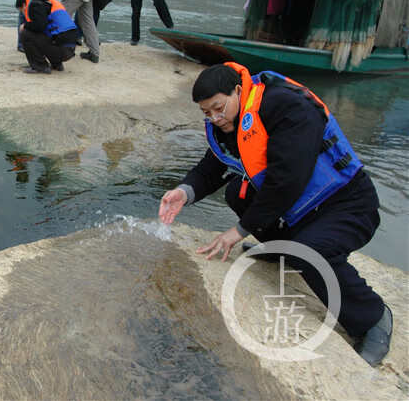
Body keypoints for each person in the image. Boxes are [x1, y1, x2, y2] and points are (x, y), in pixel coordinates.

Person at [158, 62, 393, 367]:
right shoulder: (230, 122)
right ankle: (283, 250)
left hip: (346, 203)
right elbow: (214, 166)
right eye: (206, 114)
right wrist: (184, 192)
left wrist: (240, 230)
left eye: (218, 108)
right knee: (237, 193)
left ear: (238, 91)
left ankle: (372, 317)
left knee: (308, 252)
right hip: (301, 209)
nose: (214, 118)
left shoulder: (289, 107)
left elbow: (287, 181)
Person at [15, 0, 77, 74]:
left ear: (24, 5)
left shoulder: (35, 5)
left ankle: (40, 66)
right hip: (69, 49)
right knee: (44, 33)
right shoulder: (44, 3)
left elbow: (40, 26)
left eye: (21, 9)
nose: (22, 12)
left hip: (63, 51)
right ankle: (56, 64)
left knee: (25, 33)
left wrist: (25, 26)